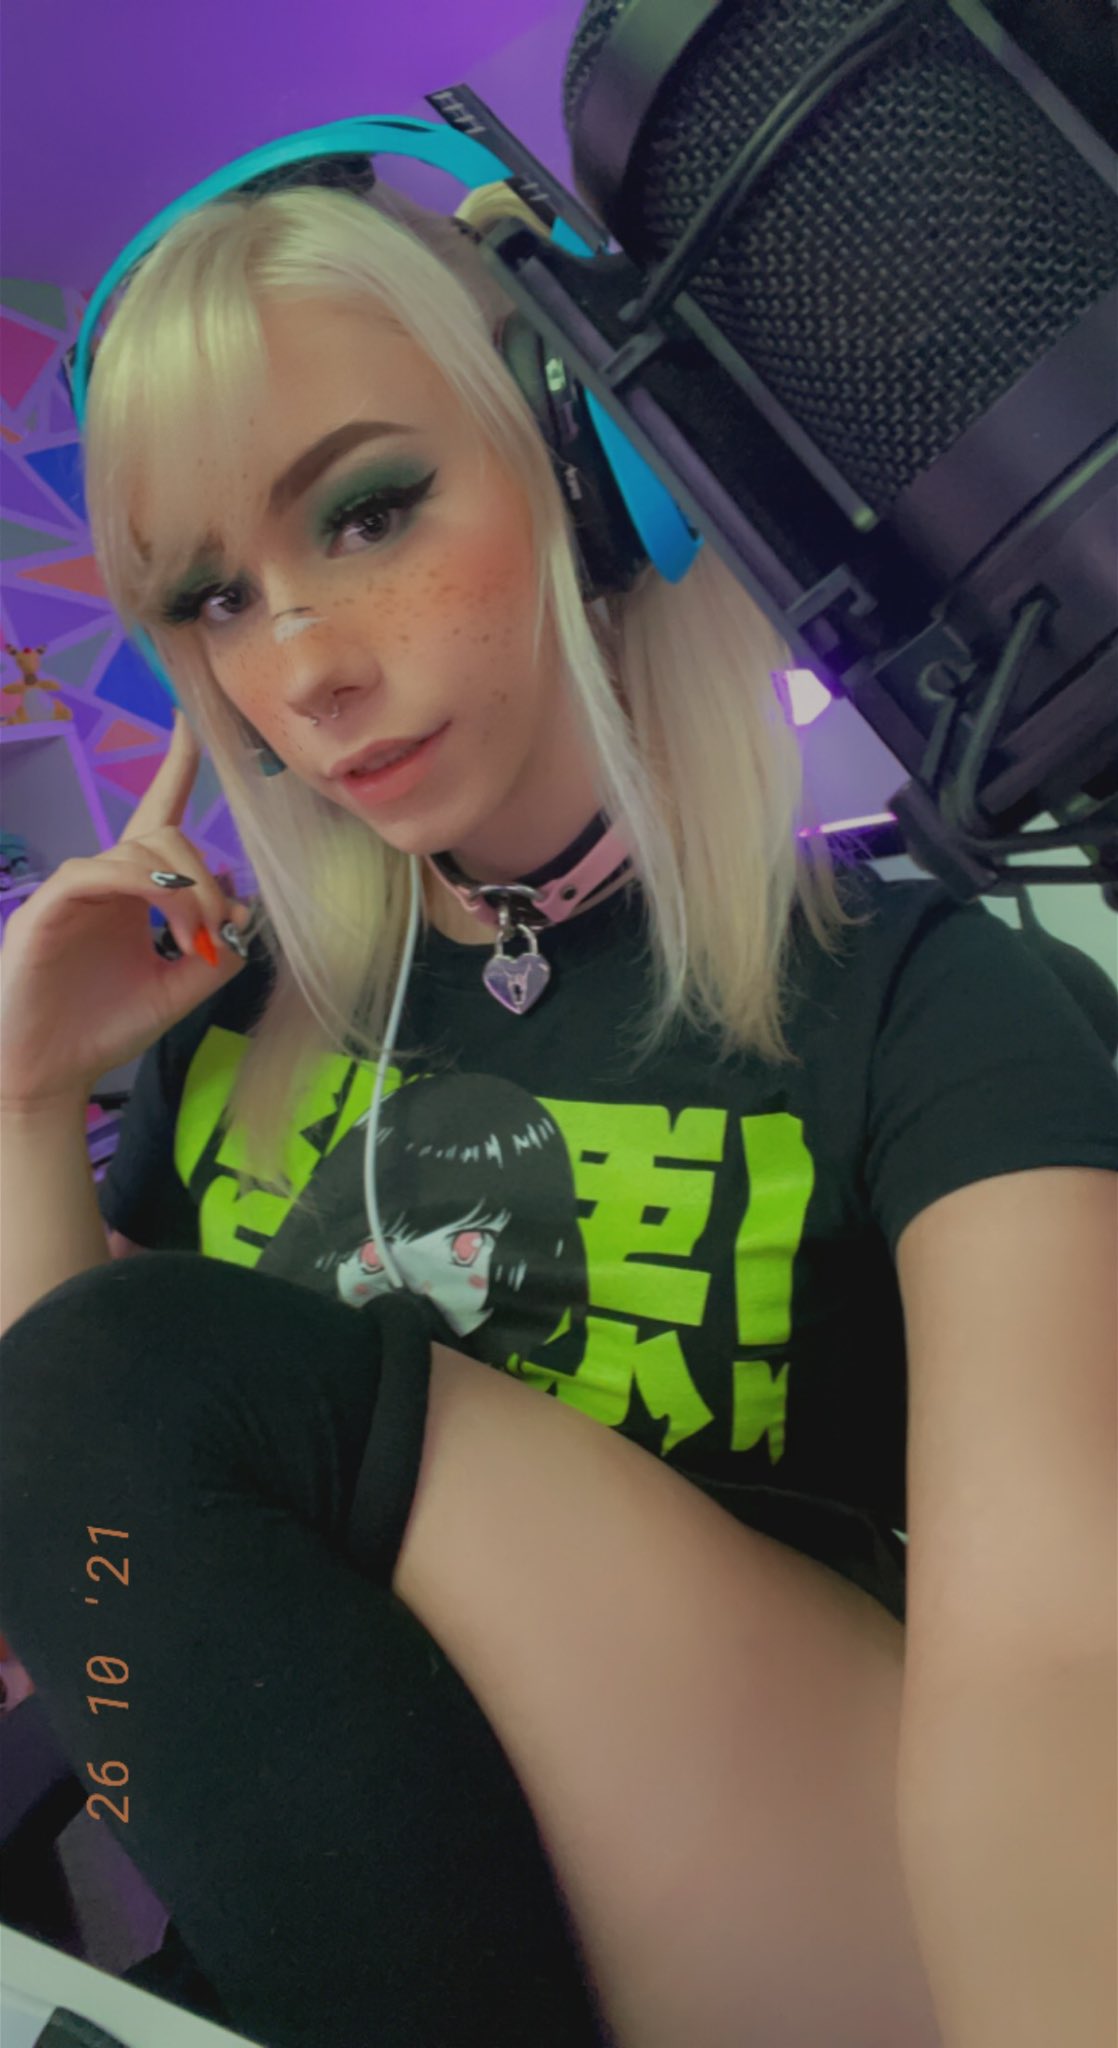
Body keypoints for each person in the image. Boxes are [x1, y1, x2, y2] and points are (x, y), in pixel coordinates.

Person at [0, 173, 1115, 2048]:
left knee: (127, 1371)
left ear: (587, 469)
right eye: (215, 598)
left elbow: (1056, 1662)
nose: (302, 669)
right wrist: (30, 1097)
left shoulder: (918, 994)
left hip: (820, 1927)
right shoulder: (233, 1026)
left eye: (369, 511)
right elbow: (95, 1568)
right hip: (370, 1930)